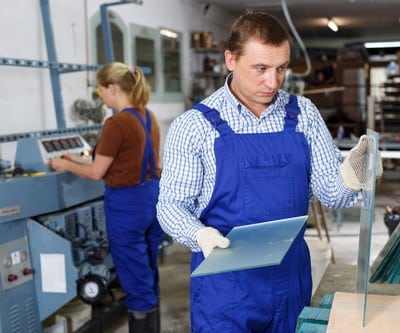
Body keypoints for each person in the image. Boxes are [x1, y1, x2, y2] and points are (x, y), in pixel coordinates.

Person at [157, 11, 382, 332]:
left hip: (290, 280)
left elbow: (333, 194)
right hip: (225, 288)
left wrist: (355, 172)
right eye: (260, 69)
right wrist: (198, 235)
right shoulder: (195, 126)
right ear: (230, 60)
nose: (272, 82)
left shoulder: (303, 115)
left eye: (281, 69)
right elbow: (170, 206)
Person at [50, 62, 164, 333]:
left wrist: (64, 165)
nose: (100, 95)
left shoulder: (116, 123)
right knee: (148, 273)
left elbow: (95, 171)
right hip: (151, 198)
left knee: (135, 283)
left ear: (112, 88)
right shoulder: (147, 117)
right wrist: (77, 158)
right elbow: (132, 160)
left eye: (100, 89)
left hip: (127, 207)